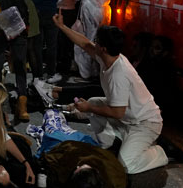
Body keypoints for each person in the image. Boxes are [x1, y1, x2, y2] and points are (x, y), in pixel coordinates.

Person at [52, 20, 169, 174]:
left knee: (127, 165)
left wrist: (88, 108)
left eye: (97, 42)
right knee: (94, 101)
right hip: (129, 116)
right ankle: (111, 143)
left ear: (103, 48)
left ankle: (159, 153)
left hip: (145, 123)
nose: (94, 44)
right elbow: (85, 44)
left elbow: (118, 113)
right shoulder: (108, 57)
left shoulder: (118, 74)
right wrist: (62, 26)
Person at [21, 0, 74, 84]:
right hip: (50, 11)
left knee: (36, 45)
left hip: (33, 12)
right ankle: (51, 73)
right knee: (52, 44)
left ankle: (37, 75)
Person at [0, 0, 43, 84]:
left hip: (17, 18)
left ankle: (21, 82)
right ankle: (38, 78)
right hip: (31, 13)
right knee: (32, 49)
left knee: (20, 52)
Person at [41, 140, 127, 188]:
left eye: (78, 168)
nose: (78, 166)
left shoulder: (114, 184)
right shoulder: (77, 154)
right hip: (89, 151)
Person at [71, 0, 111, 80]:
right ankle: (97, 70)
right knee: (100, 41)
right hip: (104, 12)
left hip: (88, 12)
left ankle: (86, 72)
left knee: (86, 41)